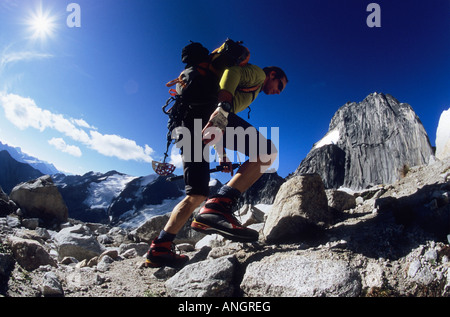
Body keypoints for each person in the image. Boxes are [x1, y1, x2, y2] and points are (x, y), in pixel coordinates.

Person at [145, 64, 288, 268]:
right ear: (273, 75)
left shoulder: (243, 89)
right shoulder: (258, 74)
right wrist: (223, 107)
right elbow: (232, 71)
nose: (277, 91)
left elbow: (216, 128)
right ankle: (218, 206)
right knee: (267, 152)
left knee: (196, 195)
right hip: (207, 113)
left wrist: (222, 155)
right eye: (279, 85)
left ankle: (159, 248)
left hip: (186, 123)